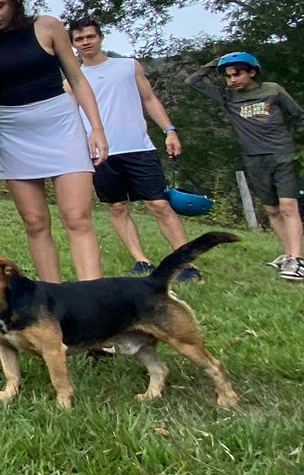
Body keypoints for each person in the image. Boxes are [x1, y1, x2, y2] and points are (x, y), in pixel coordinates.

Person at [0, 0, 109, 283]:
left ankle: (93, 295)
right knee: (34, 221)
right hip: (14, 128)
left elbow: (77, 78)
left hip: (60, 122)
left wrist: (96, 128)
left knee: (77, 217)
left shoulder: (46, 26)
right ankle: (50, 295)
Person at [68, 18, 203, 282]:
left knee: (159, 205)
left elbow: (149, 99)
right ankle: (141, 260)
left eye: (90, 37)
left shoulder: (128, 66)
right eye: (79, 39)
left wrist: (169, 131)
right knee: (117, 206)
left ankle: (185, 264)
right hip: (100, 153)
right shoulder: (72, 79)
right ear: (73, 44)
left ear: (101, 37)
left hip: (137, 147)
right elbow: (70, 117)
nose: (86, 43)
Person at [188, 51, 304, 282]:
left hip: (282, 154)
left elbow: (301, 115)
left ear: (252, 72)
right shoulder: (228, 98)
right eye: (227, 76)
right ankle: (288, 255)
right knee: (272, 210)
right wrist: (216, 62)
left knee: (288, 206)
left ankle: (298, 259)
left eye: (236, 74)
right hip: (254, 159)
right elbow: (193, 81)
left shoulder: (273, 90)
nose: (232, 80)